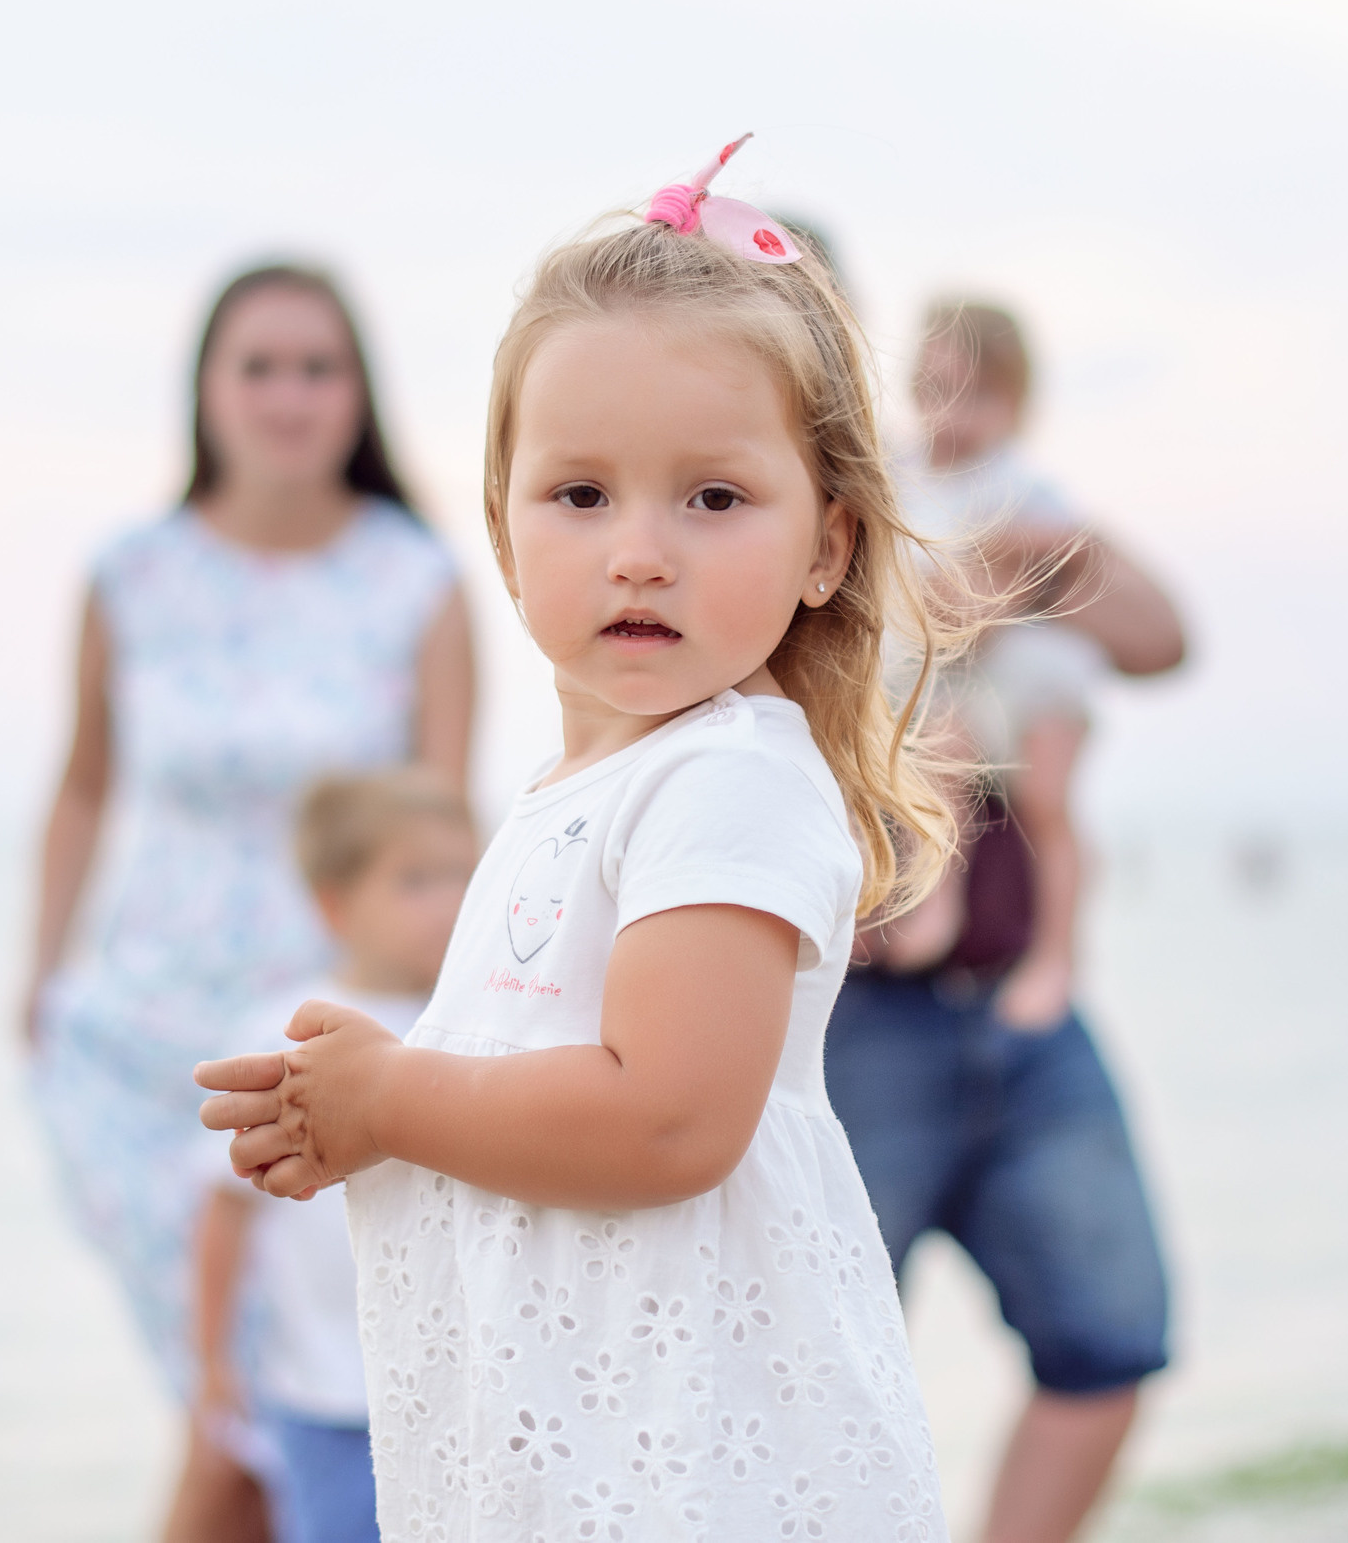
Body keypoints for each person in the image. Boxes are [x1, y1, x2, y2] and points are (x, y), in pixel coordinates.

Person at [196, 137, 963, 1541]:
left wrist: (393, 1099)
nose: (640, 551)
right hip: (584, 1468)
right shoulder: (571, 793)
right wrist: (350, 1115)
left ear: (827, 546)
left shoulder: (729, 779)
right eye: (581, 493)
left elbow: (665, 1116)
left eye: (714, 497)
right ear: (502, 530)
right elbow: (524, 1097)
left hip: (701, 1482)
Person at [23, 264, 475, 1543]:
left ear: (358, 394)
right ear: (206, 390)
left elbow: (443, 822)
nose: (288, 397)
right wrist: (38, 979)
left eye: (317, 368)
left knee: (297, 1404)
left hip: (325, 1041)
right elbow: (82, 786)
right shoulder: (132, 574)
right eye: (258, 367)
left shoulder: (415, 579)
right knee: (220, 1407)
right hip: (141, 1041)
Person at [829, 298, 1186, 1543]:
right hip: (851, 1014)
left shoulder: (1024, 513)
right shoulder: (856, 511)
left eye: (976, 389)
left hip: (1015, 1003)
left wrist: (1026, 568)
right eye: (934, 384)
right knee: (806, 1356)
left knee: (1111, 1333)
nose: (952, 411)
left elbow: (1163, 637)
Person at [195, 770, 477, 1543]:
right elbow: (225, 1209)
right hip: (321, 1389)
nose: (449, 902)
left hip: (460, 1387)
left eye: (464, 875)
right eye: (416, 880)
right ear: (335, 903)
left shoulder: (476, 1025)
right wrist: (213, 1359)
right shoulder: (282, 1032)